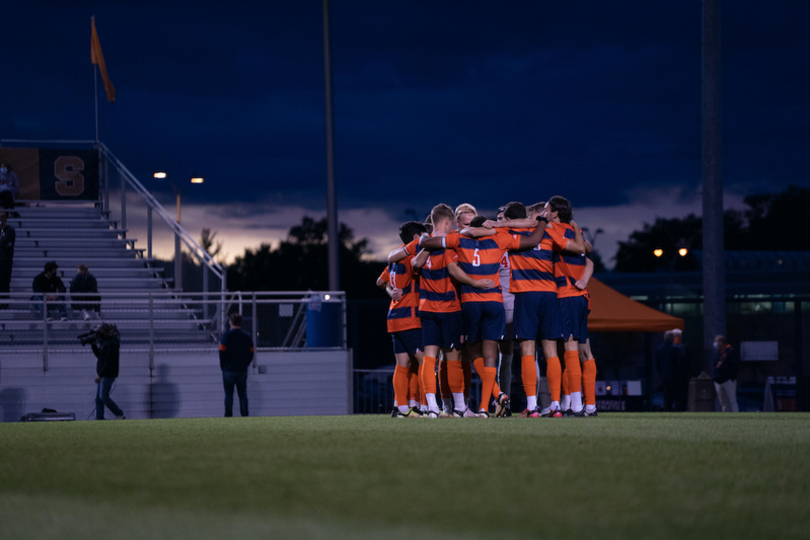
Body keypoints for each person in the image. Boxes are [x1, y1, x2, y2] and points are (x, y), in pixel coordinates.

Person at [422, 207, 547, 417]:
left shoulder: (458, 240)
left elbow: (427, 243)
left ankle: (457, 405)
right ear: (487, 226)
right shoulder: (500, 238)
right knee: (493, 355)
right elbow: (533, 240)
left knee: (470, 352)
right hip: (495, 302)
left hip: (470, 302)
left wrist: (431, 234)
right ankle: (482, 407)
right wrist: (542, 221)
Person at [377, 221, 429, 418]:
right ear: (416, 238)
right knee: (425, 361)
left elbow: (380, 282)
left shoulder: (395, 256)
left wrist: (391, 292)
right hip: (409, 316)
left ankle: (401, 408)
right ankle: (427, 406)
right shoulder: (411, 257)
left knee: (403, 364)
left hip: (394, 316)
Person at [219, 312, 255, 417]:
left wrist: (223, 366)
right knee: (243, 394)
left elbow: (222, 352)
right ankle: (244, 415)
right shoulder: (247, 336)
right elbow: (251, 352)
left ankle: (228, 416)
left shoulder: (227, 336)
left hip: (229, 369)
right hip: (242, 369)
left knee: (228, 395)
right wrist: (245, 364)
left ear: (230, 322)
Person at [92, 323, 125, 420]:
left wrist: (100, 375)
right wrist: (93, 346)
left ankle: (119, 413)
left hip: (108, 374)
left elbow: (108, 361)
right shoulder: (104, 342)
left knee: (103, 396)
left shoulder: (112, 343)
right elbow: (101, 357)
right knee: (98, 398)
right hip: (103, 373)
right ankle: (99, 417)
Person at [713, 334, 740, 412]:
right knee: (723, 403)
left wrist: (732, 377)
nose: (715, 344)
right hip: (718, 381)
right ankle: (726, 418)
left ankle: (737, 418)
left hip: (728, 380)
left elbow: (735, 365)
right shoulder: (717, 353)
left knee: (732, 401)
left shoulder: (730, 351)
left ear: (721, 342)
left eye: (716, 341)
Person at [0, 211, 15, 309]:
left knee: (4, 282)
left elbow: (5, 242)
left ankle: (4, 303)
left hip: (5, 260)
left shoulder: (9, 230)